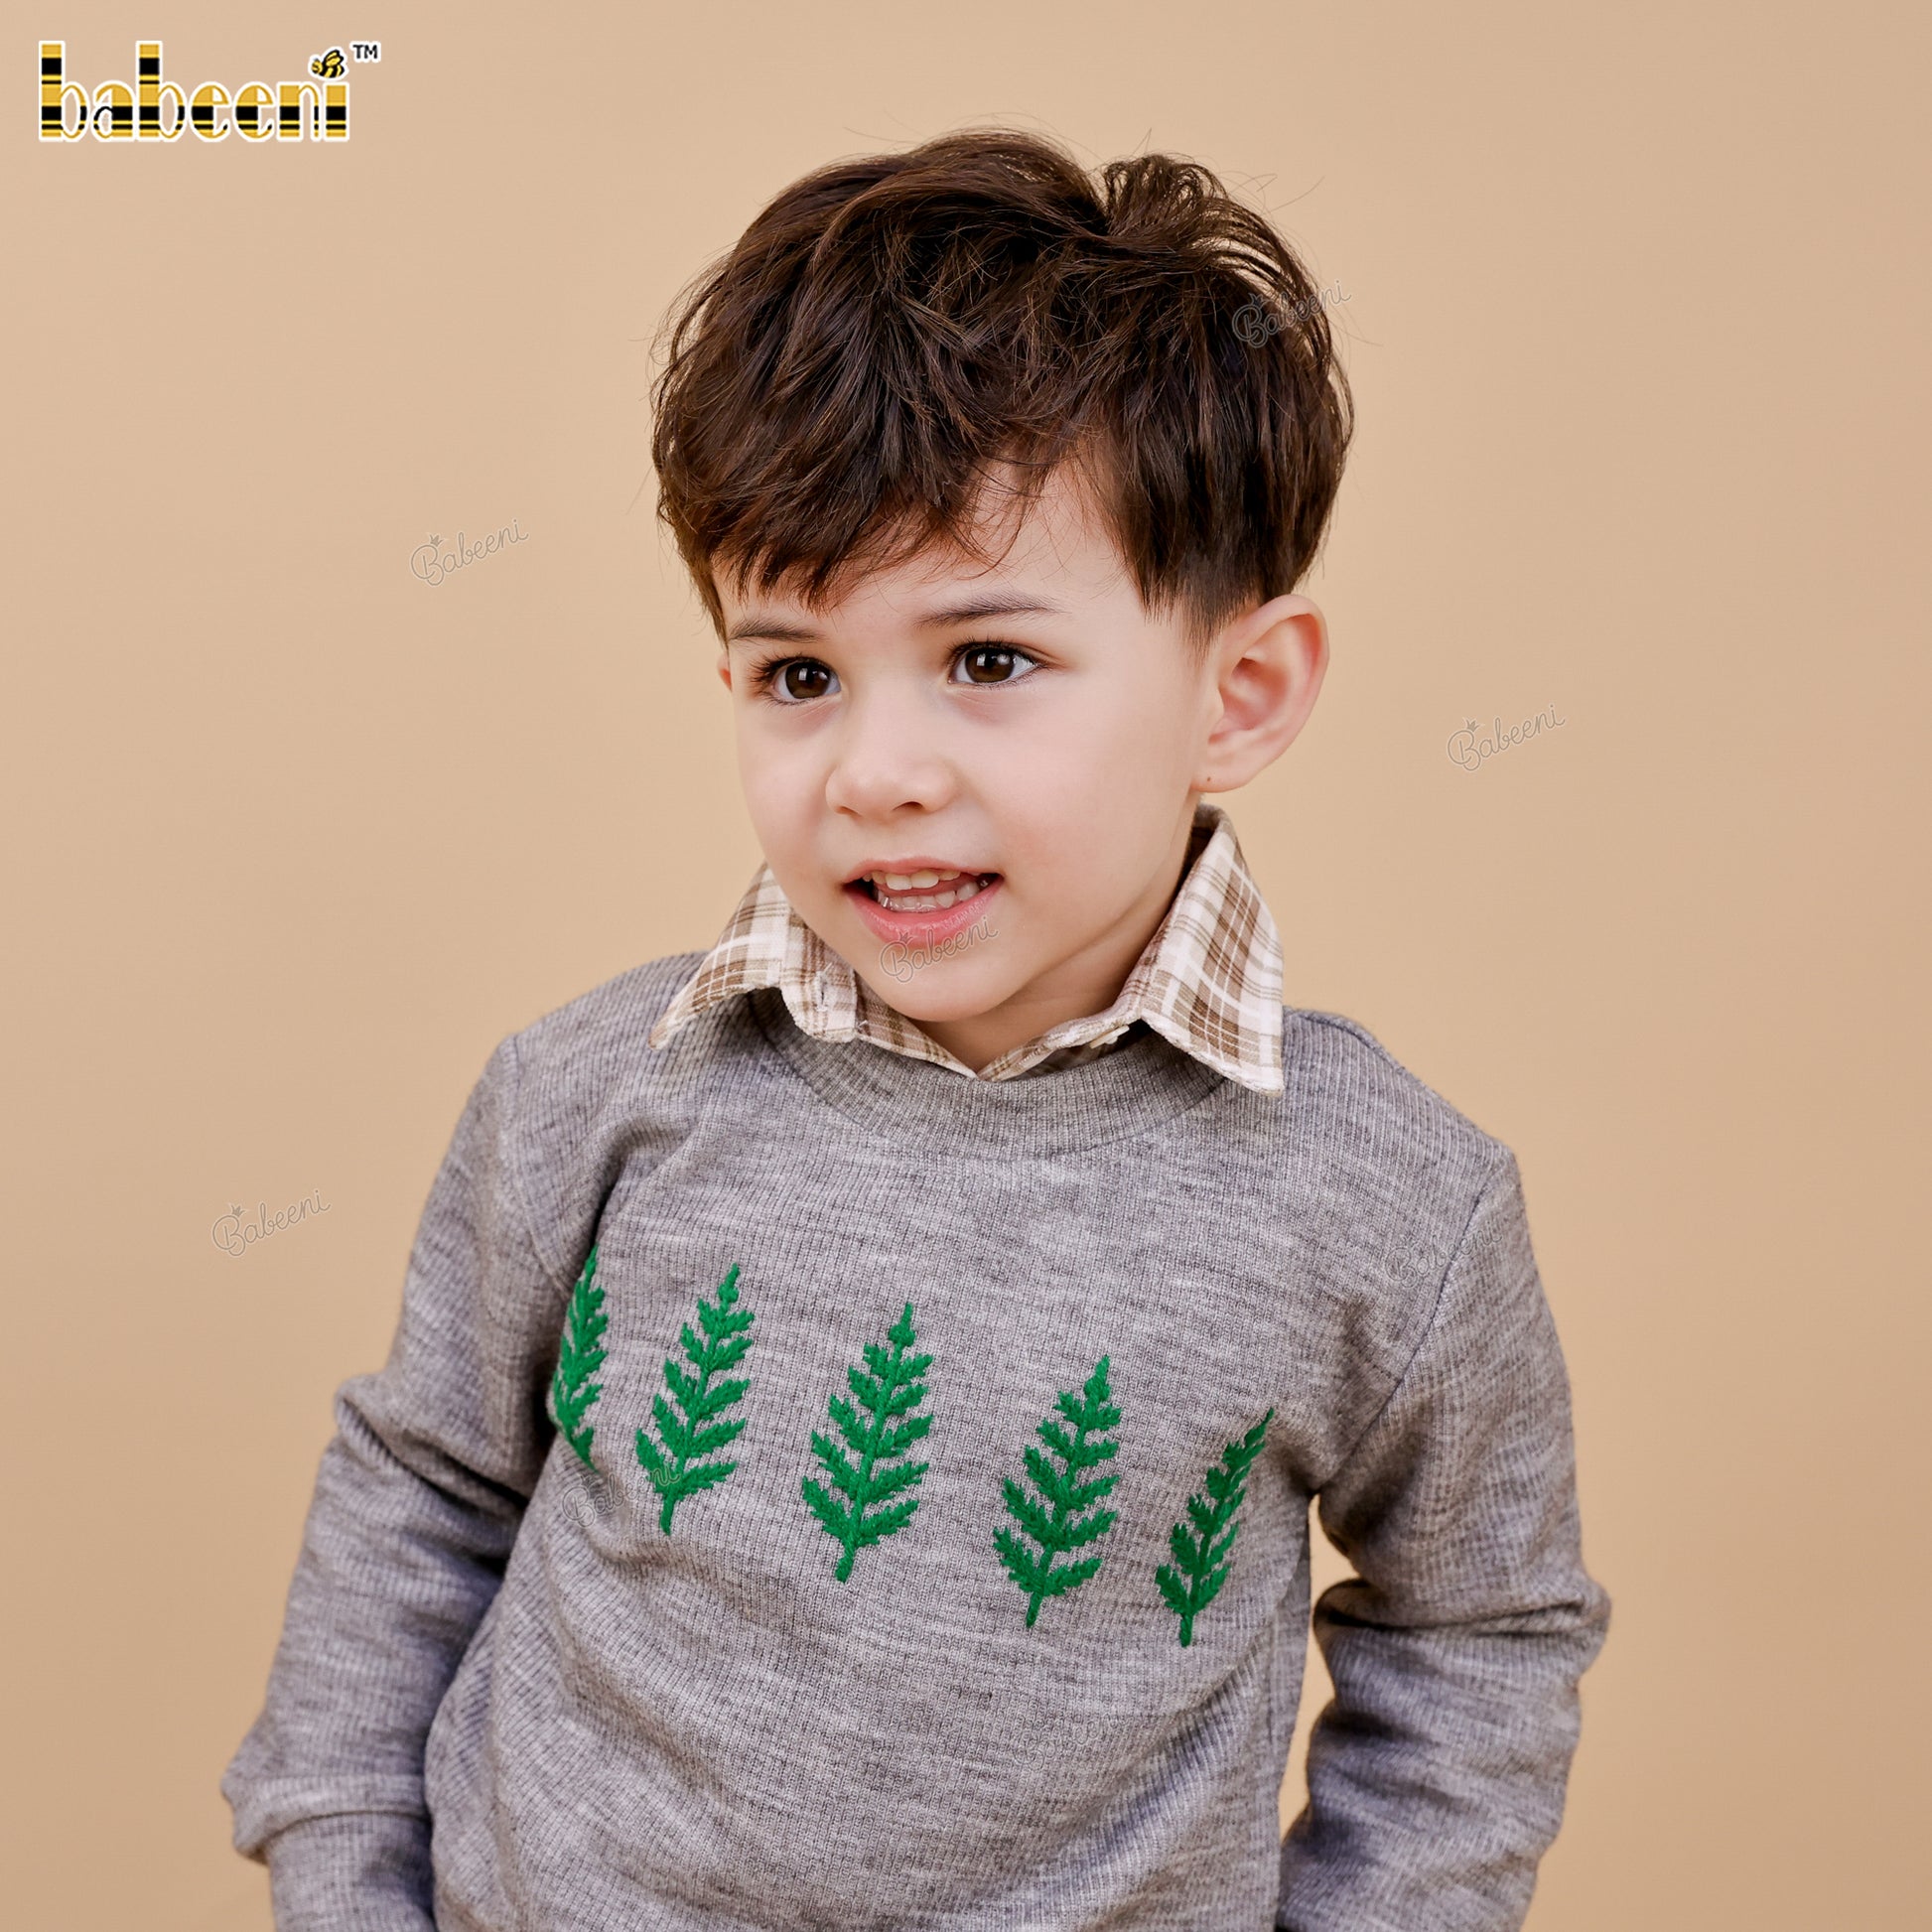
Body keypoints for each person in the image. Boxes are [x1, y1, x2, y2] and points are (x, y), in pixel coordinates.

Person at [223, 127, 1609, 1932]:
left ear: (1238, 692)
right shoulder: (592, 1090)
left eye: (986, 660)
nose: (875, 771)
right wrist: (343, 1872)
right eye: (798, 673)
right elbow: (422, 1483)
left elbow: (1480, 1626)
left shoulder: (1392, 1202)